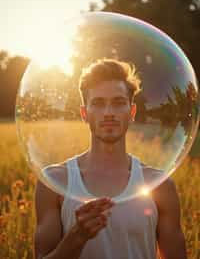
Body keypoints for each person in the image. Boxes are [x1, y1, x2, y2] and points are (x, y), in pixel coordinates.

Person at [34, 58, 187, 259]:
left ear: (132, 112)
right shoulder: (54, 182)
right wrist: (76, 237)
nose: (108, 113)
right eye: (98, 103)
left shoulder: (159, 185)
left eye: (118, 103)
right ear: (84, 113)